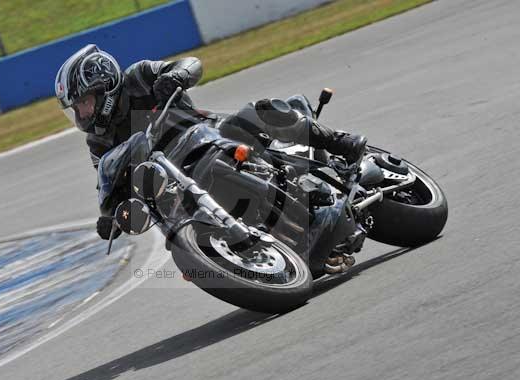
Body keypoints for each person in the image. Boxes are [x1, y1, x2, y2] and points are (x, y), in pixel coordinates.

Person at [55, 44, 367, 241]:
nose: (81, 113)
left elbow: (191, 63)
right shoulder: (98, 141)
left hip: (209, 134)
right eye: (77, 108)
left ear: (104, 86)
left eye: (84, 102)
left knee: (257, 112)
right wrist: (111, 218)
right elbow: (108, 181)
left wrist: (174, 77)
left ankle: (341, 143)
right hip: (175, 181)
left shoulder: (137, 77)